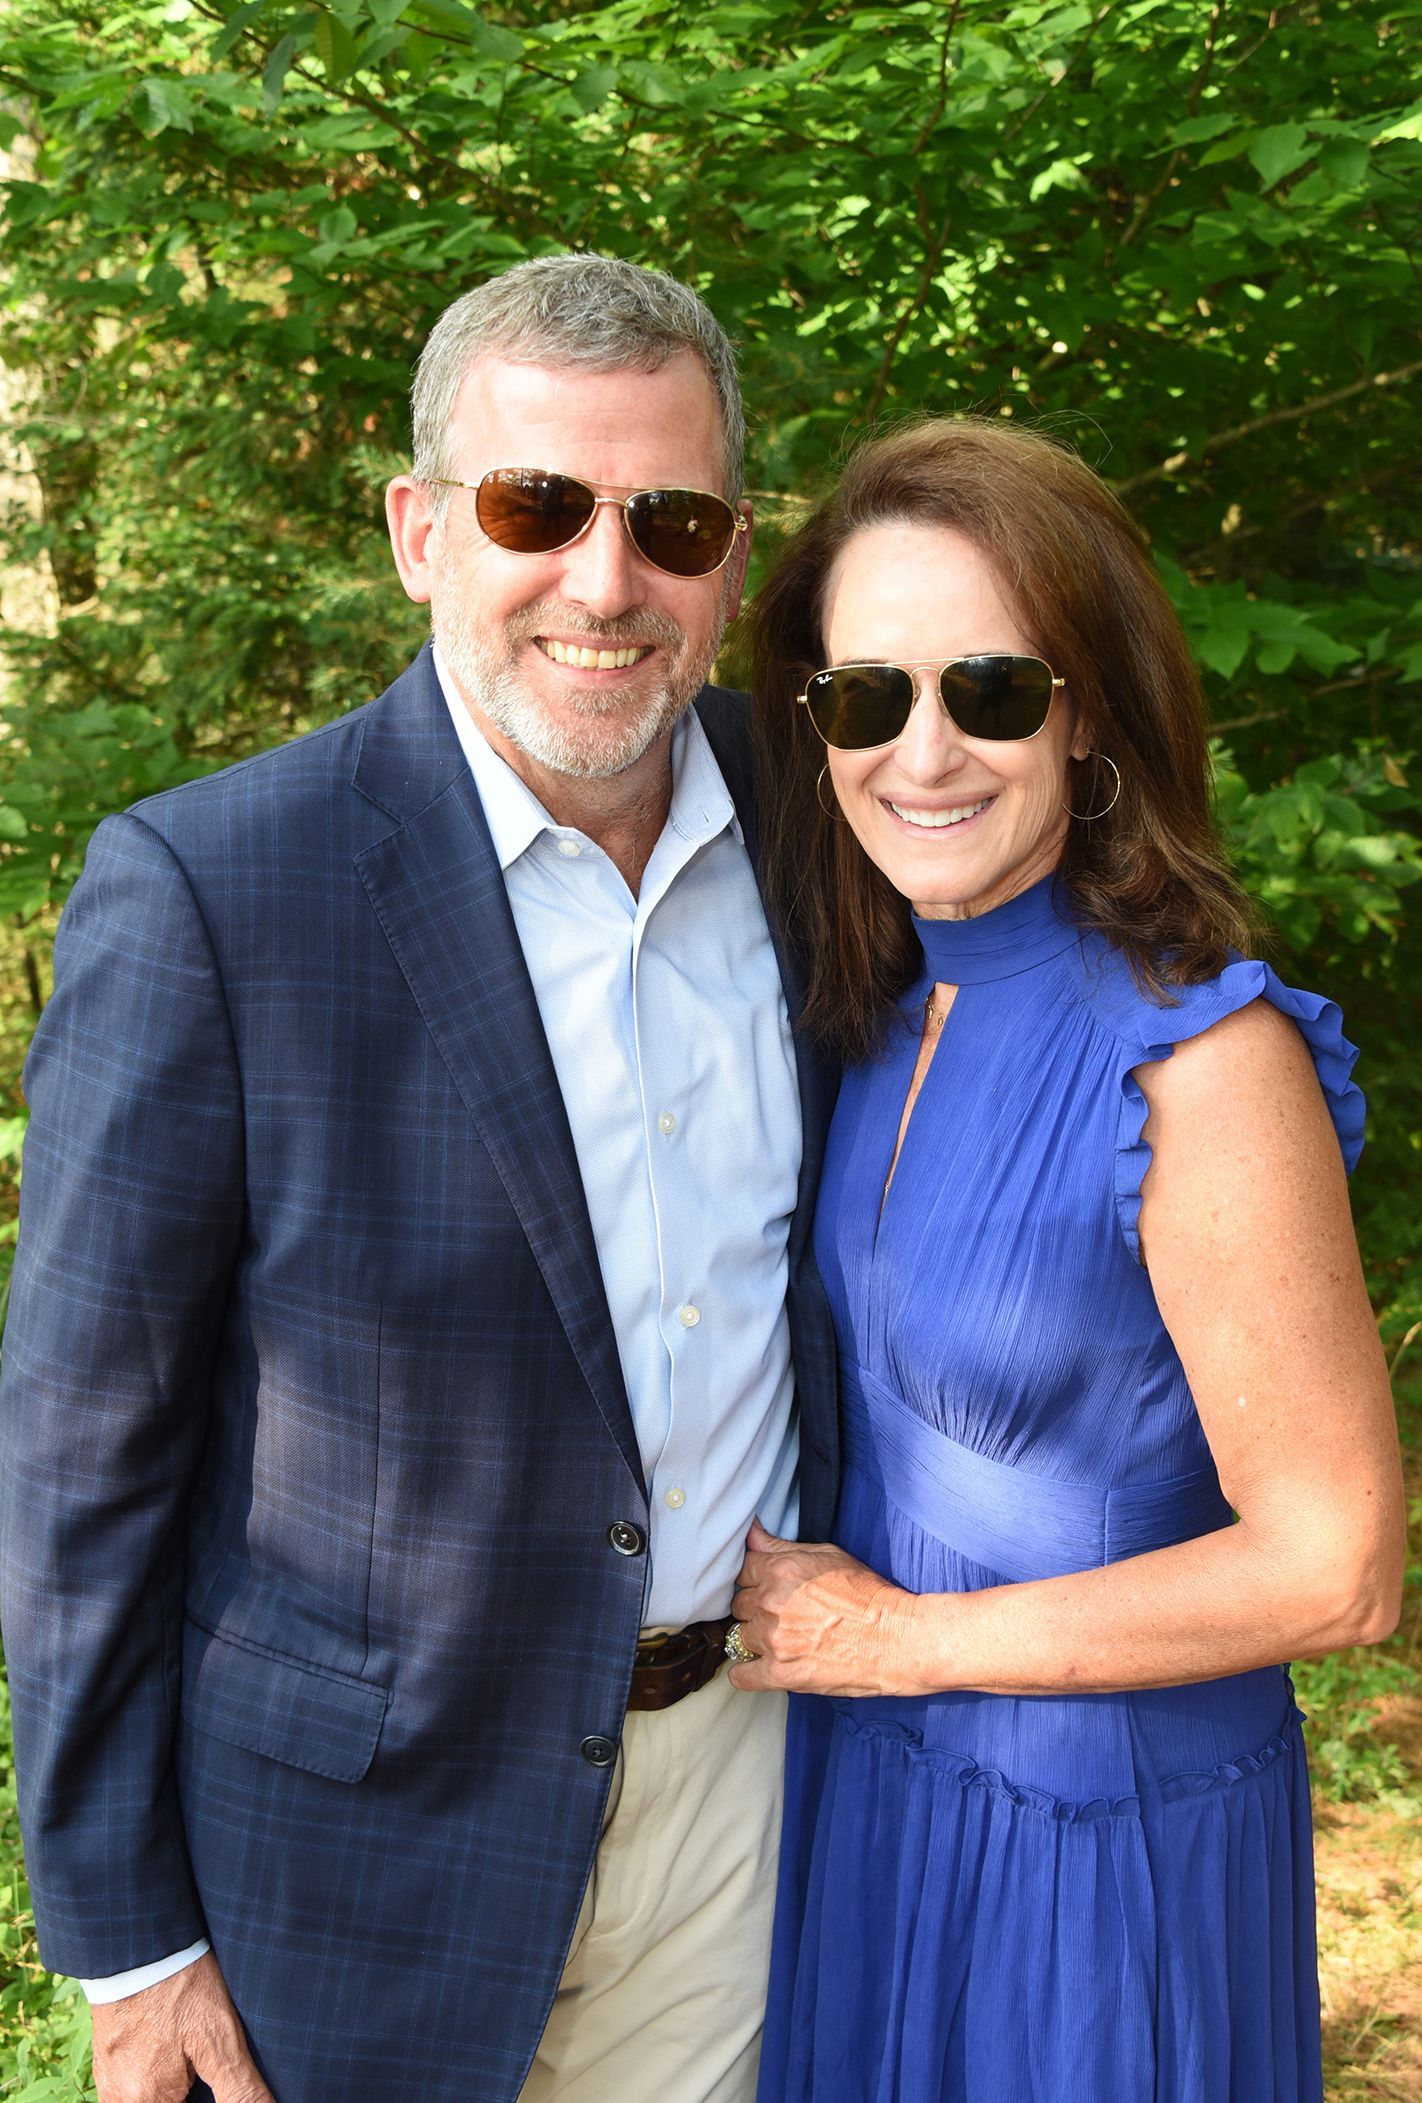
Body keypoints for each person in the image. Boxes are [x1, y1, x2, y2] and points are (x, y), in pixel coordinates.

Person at [0, 254, 838, 2103]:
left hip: (747, 1807)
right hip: (348, 1867)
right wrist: (129, 1944)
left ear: (733, 551)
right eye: (537, 506)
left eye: (670, 520)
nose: (604, 582)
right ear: (419, 531)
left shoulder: (829, 832)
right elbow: (78, 1468)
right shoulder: (214, 894)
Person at [725, 419, 1405, 2102]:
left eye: (994, 691)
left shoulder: (1196, 1058)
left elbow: (1339, 1568)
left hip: (1100, 1846)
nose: (924, 751)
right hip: (876, 1789)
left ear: (1087, 710)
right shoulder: (878, 1010)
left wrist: (900, 1646)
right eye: (869, 697)